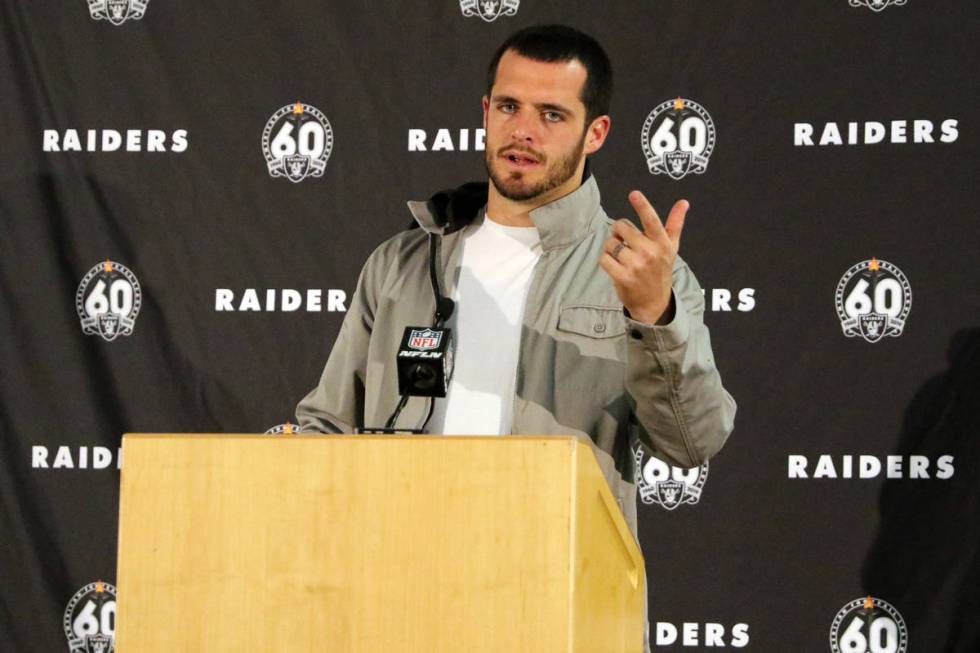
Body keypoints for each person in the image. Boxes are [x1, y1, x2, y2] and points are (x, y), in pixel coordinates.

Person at [297, 24, 735, 650]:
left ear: (596, 133)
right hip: (400, 598)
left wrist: (653, 316)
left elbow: (694, 441)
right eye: (508, 107)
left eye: (552, 114)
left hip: (556, 605)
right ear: (485, 111)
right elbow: (328, 427)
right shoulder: (401, 262)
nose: (523, 131)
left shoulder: (641, 272)